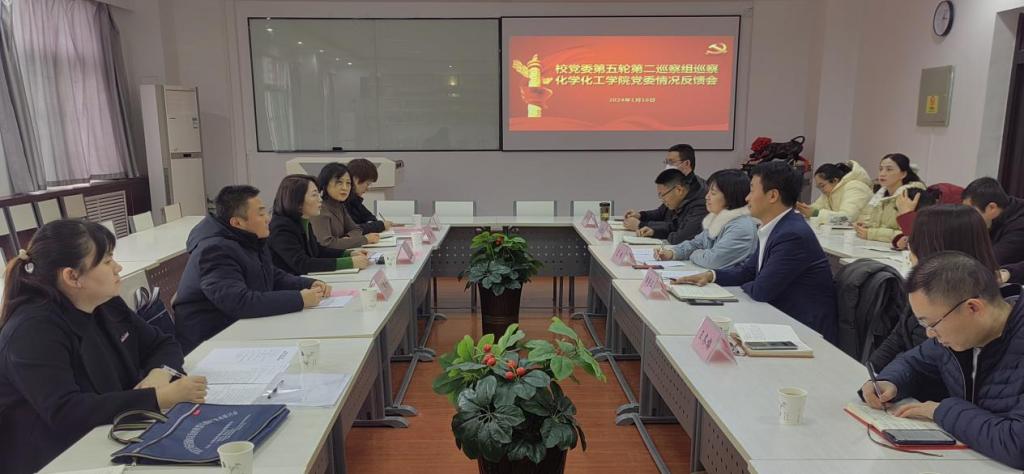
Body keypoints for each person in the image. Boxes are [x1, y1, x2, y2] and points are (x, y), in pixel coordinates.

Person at [0, 220, 207, 473]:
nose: (118, 267)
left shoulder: (105, 304)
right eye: (107, 261)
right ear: (72, 276)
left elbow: (163, 343)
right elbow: (66, 412)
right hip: (57, 458)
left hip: (115, 432)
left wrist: (160, 373)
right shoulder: (32, 331)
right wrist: (160, 397)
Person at [860, 251, 1024, 470]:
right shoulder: (960, 335)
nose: (929, 334)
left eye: (932, 324)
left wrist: (940, 411)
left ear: (973, 308)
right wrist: (891, 382)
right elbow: (915, 362)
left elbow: (1018, 445)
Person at [677, 161, 838, 342]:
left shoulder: (792, 234)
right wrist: (711, 276)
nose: (747, 198)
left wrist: (751, 281)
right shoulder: (776, 226)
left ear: (772, 196)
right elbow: (747, 271)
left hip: (805, 330)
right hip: (779, 318)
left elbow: (761, 289)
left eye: (752, 190)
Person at [174, 185, 329, 354]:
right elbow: (239, 302)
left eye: (265, 212)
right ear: (237, 222)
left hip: (240, 328)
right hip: (208, 344)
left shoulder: (249, 238)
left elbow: (271, 274)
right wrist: (299, 299)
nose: (268, 218)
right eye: (261, 214)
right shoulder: (214, 250)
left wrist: (307, 284)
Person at [868, 205, 1000, 402]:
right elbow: (902, 341)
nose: (910, 255)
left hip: (933, 404)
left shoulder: (964, 310)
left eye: (914, 247)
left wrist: (938, 411)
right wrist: (876, 376)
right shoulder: (928, 292)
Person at [653, 169, 757, 270]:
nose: (707, 197)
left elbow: (713, 261)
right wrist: (672, 253)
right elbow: (695, 243)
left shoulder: (741, 227)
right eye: (708, 192)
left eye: (713, 193)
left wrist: (694, 253)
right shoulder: (718, 220)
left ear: (730, 196)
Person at [269, 174, 370, 275]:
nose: (320, 199)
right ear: (297, 200)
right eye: (314, 195)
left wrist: (348, 254)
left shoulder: (302, 220)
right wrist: (349, 263)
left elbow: (317, 250)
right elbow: (302, 264)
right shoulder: (281, 227)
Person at [623, 144, 708, 236]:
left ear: (687, 163)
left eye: (671, 162)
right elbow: (662, 212)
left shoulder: (700, 193)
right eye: (666, 162)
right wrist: (640, 215)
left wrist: (642, 225)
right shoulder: (676, 183)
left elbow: (679, 228)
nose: (667, 166)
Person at [855, 153, 926, 242]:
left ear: (903, 174)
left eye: (889, 169)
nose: (882, 174)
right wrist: (863, 226)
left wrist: (872, 233)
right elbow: (867, 220)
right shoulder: (879, 195)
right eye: (880, 169)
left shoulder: (911, 196)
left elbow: (908, 235)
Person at [311, 162, 381, 250]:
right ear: (325, 183)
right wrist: (364, 240)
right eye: (339, 182)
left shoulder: (340, 205)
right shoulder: (319, 208)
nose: (345, 188)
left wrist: (348, 238)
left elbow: (357, 229)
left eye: (348, 183)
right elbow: (326, 244)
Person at [630, 169, 709, 244]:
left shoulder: (700, 206)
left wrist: (641, 225)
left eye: (663, 195)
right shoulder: (676, 201)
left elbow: (681, 238)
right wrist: (653, 230)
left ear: (679, 190)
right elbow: (670, 223)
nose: (662, 200)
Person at [962, 177, 1024, 266]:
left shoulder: (1020, 227)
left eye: (971, 212)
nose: (968, 218)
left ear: (992, 208)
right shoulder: (996, 215)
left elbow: (990, 262)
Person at [795, 160, 873, 225]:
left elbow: (846, 218)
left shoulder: (855, 187)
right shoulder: (830, 191)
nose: (821, 190)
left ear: (835, 180)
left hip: (865, 233)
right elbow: (817, 207)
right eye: (819, 187)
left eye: (822, 185)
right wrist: (804, 209)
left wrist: (815, 213)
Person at [890, 183, 962, 250]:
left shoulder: (951, 210)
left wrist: (906, 216)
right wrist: (902, 239)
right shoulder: (929, 202)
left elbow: (930, 246)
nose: (898, 217)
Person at [345, 158, 393, 233]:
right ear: (355, 180)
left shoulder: (355, 200)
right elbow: (352, 229)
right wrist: (381, 225)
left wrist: (372, 225)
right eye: (367, 184)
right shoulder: (343, 202)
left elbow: (370, 218)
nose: (368, 189)